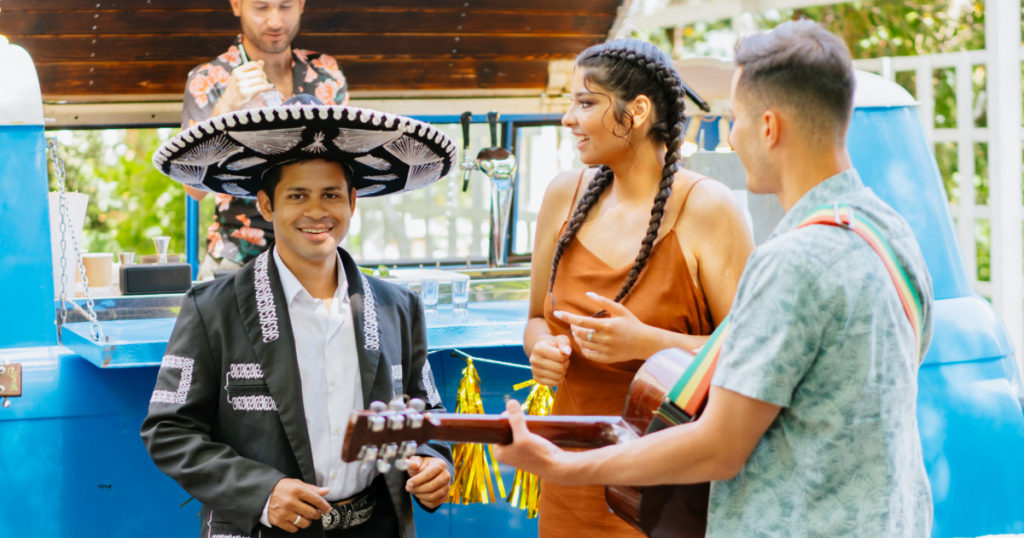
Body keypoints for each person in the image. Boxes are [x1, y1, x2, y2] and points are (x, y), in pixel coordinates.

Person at [496, 20, 935, 538]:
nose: (729, 135)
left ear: (768, 127)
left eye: (734, 119)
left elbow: (719, 446)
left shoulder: (791, 261)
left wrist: (564, 466)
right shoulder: (890, 232)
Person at [142, 96, 458, 538]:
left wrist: (432, 461)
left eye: (330, 195)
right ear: (267, 207)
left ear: (352, 202)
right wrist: (262, 493)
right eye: (297, 196)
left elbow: (425, 414)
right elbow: (170, 429)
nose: (316, 211)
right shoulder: (212, 308)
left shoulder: (397, 307)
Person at [523, 39, 755, 537]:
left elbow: (754, 351)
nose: (568, 119)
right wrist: (542, 348)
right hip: (569, 483)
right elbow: (536, 319)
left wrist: (650, 344)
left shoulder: (710, 209)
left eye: (585, 103)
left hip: (666, 493)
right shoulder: (562, 195)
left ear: (638, 112)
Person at [182, 0, 350, 277]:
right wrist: (224, 111)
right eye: (261, 7)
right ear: (237, 5)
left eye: (285, 6)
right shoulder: (209, 79)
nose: (275, 21)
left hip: (317, 247)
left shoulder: (328, 73)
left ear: (301, 4)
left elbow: (347, 164)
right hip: (237, 254)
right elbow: (193, 189)